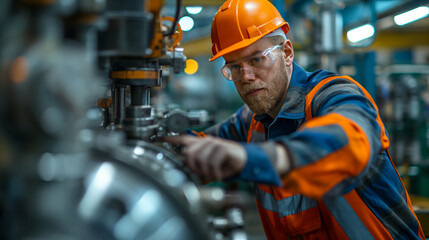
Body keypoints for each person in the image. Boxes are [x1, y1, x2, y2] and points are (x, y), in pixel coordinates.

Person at [166, 0, 425, 239]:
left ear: (287, 52)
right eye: (234, 67)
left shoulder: (334, 95)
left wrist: (259, 158)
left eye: (256, 59)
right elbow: (200, 146)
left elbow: (347, 139)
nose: (245, 76)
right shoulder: (252, 121)